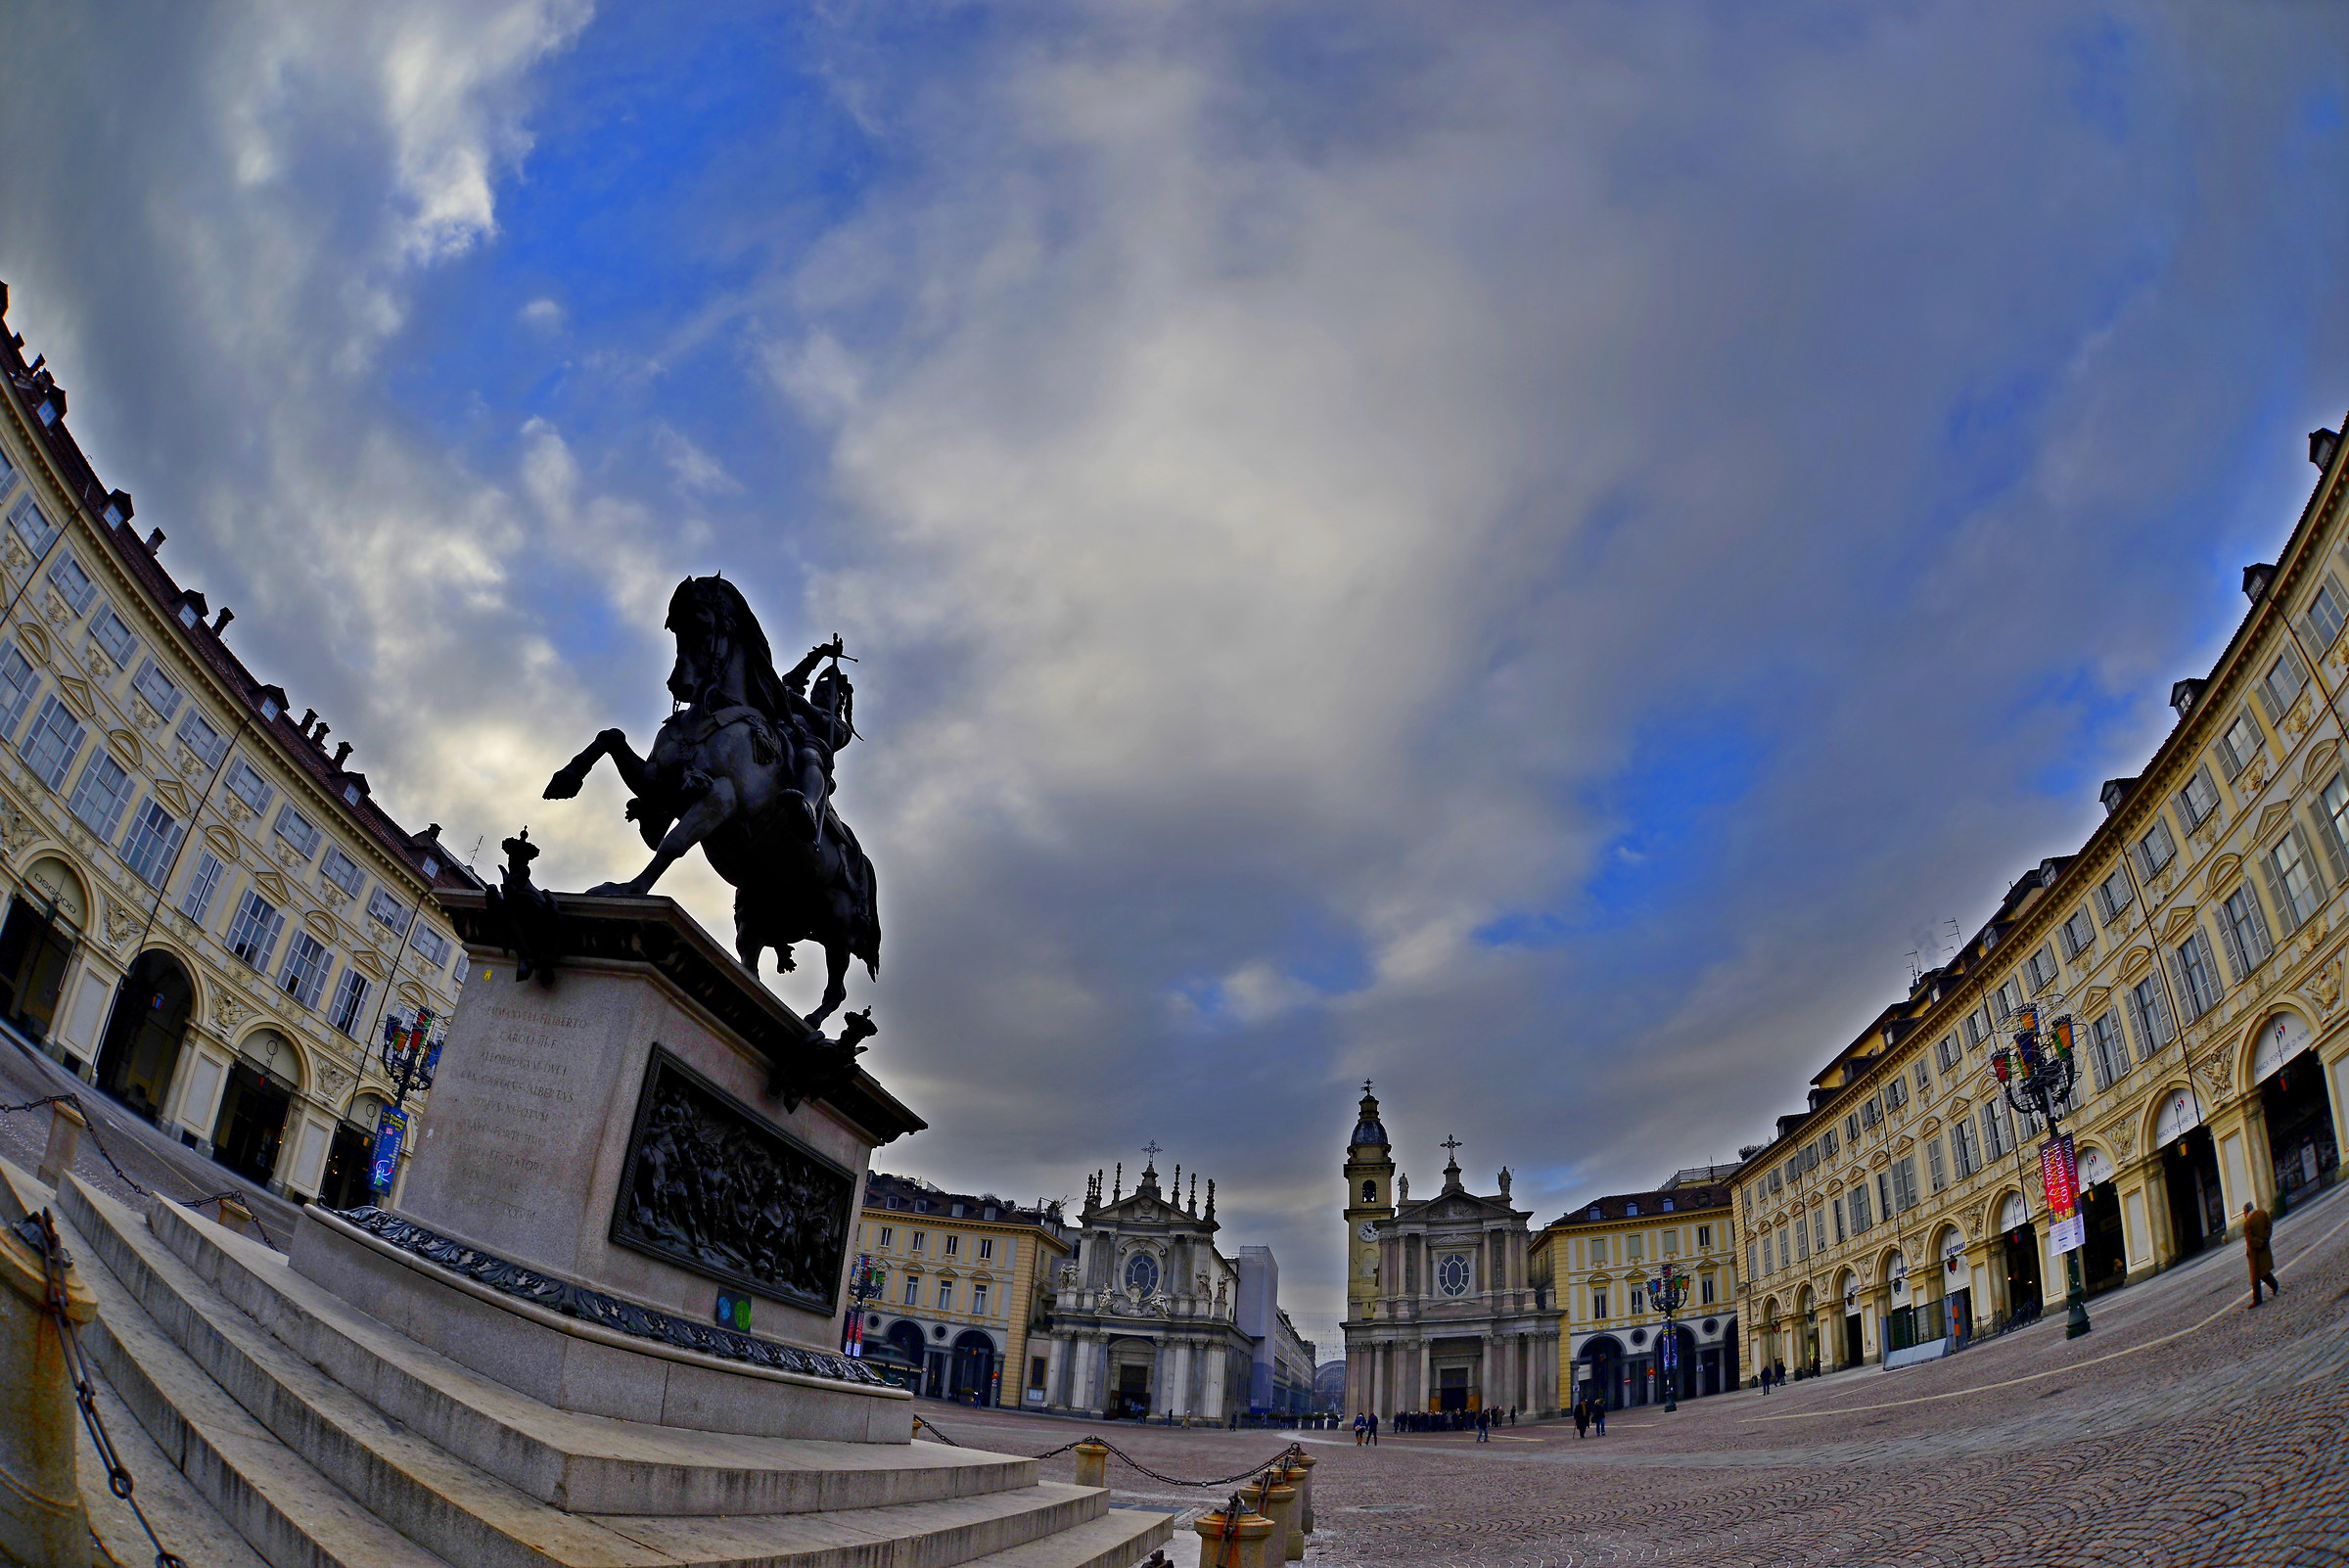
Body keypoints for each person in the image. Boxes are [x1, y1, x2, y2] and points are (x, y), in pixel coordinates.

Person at [2244, 1201, 2281, 1306]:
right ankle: (2274, 1285)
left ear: (2246, 1212)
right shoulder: (2263, 1213)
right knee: (2264, 1271)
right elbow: (2269, 1226)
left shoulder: (2247, 1224)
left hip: (2255, 1252)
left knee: (2255, 1276)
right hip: (2264, 1248)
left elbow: (2250, 1240)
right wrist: (2265, 1239)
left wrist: (2259, 1243)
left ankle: (2257, 1299)